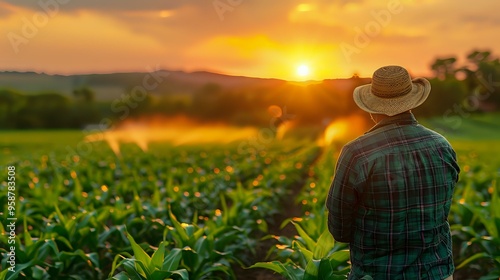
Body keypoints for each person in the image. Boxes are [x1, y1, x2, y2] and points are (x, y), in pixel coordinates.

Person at [326, 65, 460, 279]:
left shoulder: (357, 153)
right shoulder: (442, 146)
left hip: (378, 273)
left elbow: (339, 229)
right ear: (412, 103)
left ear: (372, 107)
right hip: (436, 272)